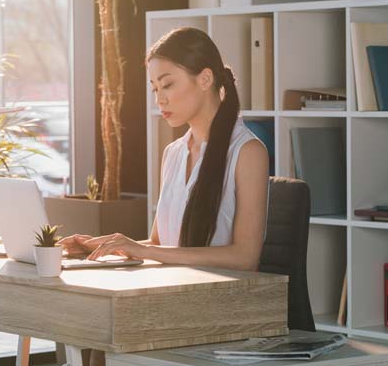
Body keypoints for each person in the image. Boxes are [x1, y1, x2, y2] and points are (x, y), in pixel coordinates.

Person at [58, 27, 270, 365]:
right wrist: (105, 248)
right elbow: (161, 244)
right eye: (155, 88)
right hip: (171, 297)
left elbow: (245, 258)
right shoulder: (173, 153)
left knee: (104, 340)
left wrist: (142, 249)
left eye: (168, 84)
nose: (160, 99)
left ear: (205, 79)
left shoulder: (247, 152)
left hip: (218, 309)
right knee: (88, 330)